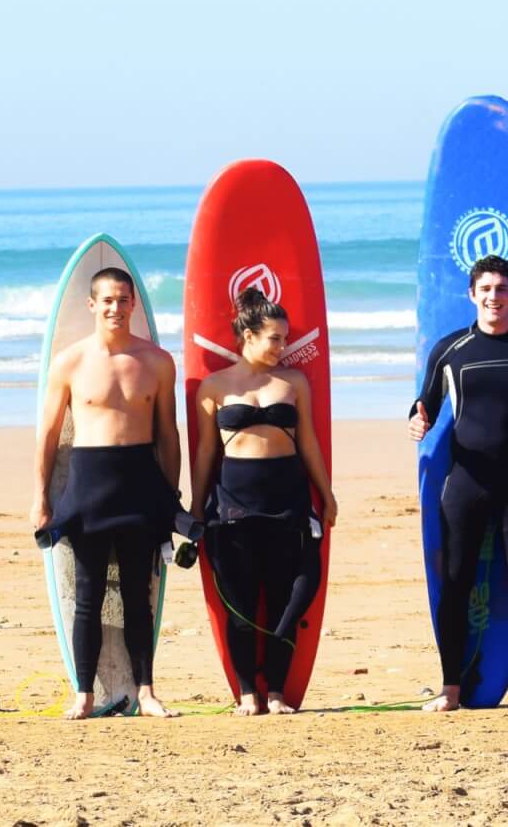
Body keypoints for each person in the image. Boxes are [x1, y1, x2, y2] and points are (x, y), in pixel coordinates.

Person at [406, 255, 508, 712]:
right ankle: (450, 689)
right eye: (486, 289)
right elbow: (426, 406)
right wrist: (416, 422)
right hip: (465, 486)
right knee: (455, 583)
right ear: (472, 295)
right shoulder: (450, 350)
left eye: (501, 289)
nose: (493, 297)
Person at [30, 266, 188, 720]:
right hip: (88, 485)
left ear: (134, 304)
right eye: (107, 301)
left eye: (123, 300)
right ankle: (83, 693)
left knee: (140, 595)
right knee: (88, 594)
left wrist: (170, 498)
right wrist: (40, 496)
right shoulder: (70, 362)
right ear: (92, 305)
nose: (116, 308)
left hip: (139, 483)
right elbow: (48, 433)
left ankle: (147, 692)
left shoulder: (158, 362)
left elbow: (168, 435)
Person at [193, 288, 338, 715]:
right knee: (239, 604)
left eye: (286, 338)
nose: (283, 347)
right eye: (275, 338)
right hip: (233, 506)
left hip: (288, 499)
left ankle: (276, 690)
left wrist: (325, 495)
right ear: (249, 336)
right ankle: (248, 694)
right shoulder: (214, 386)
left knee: (285, 598)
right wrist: (196, 508)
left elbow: (308, 441)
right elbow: (206, 453)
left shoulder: (293, 383)